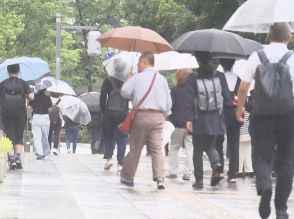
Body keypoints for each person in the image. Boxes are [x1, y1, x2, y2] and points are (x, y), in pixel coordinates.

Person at [236, 23, 294, 219]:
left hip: (262, 114)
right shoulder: (292, 58)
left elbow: (244, 87)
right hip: (288, 115)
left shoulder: (256, 57)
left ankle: (265, 184)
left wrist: (240, 108)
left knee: (261, 156)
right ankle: (281, 209)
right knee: (286, 162)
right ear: (289, 37)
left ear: (269, 35)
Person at [120, 53, 172, 190]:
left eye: (139, 62)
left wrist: (129, 80)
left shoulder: (137, 77)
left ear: (144, 62)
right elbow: (168, 102)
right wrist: (165, 115)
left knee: (136, 147)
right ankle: (160, 177)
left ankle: (128, 177)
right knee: (157, 148)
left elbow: (124, 92)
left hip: (142, 115)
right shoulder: (162, 79)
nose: (137, 65)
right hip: (158, 117)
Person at [185, 52, 233, 189]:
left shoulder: (192, 78)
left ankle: (199, 180)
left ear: (198, 61)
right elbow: (227, 98)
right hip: (216, 118)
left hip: (198, 119)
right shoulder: (220, 76)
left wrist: (189, 119)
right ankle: (217, 164)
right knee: (211, 145)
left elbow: (189, 101)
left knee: (198, 149)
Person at [0, 64, 34, 169]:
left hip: (6, 114)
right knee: (19, 136)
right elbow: (32, 97)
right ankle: (18, 157)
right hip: (20, 114)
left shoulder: (2, 84)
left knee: (9, 137)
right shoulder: (24, 83)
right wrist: (26, 95)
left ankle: (11, 159)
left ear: (8, 72)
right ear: (18, 71)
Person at [216, 59, 242, 183]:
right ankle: (233, 174)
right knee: (234, 143)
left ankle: (219, 169)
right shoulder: (238, 78)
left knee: (219, 142)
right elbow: (242, 96)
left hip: (221, 111)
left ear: (221, 64)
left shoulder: (218, 77)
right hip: (235, 111)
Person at [167, 69, 193, 181]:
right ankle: (188, 172)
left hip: (177, 124)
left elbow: (170, 106)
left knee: (174, 147)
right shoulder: (193, 91)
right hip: (191, 124)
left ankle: (173, 171)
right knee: (189, 149)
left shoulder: (174, 91)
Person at [100, 75, 128, 171]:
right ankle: (121, 163)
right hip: (123, 114)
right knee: (122, 138)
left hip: (109, 113)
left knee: (108, 136)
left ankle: (109, 158)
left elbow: (102, 96)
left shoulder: (108, 79)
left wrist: (104, 111)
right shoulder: (127, 79)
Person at [29, 82, 52, 160]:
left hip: (36, 117)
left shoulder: (34, 97)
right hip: (45, 117)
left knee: (37, 136)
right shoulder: (48, 98)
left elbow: (29, 108)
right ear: (45, 90)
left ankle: (39, 153)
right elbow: (50, 109)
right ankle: (45, 152)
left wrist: (33, 107)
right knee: (45, 136)